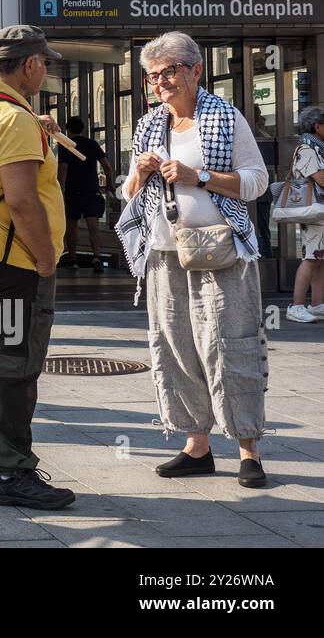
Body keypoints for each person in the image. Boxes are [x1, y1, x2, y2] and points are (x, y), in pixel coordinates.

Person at [117, 31, 270, 489]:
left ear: (195, 70)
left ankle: (248, 449)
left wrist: (197, 176)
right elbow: (126, 194)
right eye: (152, 76)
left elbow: (257, 181)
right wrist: (139, 176)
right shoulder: (148, 125)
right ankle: (196, 446)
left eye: (169, 72)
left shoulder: (224, 117)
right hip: (164, 251)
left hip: (220, 250)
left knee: (229, 346)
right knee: (176, 348)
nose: (160, 82)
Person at [0, 26, 75, 509]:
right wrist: (46, 260)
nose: (45, 70)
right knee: (17, 367)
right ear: (28, 65)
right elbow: (23, 203)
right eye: (43, 62)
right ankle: (13, 473)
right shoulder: (13, 120)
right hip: (16, 262)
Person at [58, 117, 116, 273]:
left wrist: (61, 192)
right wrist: (110, 183)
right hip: (91, 189)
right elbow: (107, 166)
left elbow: (63, 171)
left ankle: (72, 259)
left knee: (72, 225)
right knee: (93, 226)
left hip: (73, 191)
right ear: (83, 129)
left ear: (68, 130)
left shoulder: (66, 145)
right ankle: (97, 256)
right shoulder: (92, 144)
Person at [286, 106, 324, 323]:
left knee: (320, 259)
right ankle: (296, 305)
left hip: (320, 212)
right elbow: (320, 179)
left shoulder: (318, 148)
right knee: (311, 259)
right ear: (317, 126)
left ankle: (317, 304)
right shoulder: (307, 149)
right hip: (313, 212)